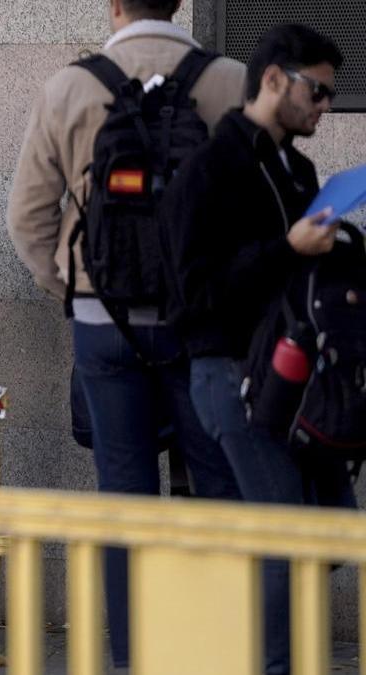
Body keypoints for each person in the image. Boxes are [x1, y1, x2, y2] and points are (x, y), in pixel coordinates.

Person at [6, 1, 246, 667]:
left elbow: (27, 218)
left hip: (103, 323)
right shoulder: (230, 80)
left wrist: (81, 291)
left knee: (124, 489)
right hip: (204, 325)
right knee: (217, 480)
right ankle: (217, 645)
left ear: (114, 5)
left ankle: (135, 653)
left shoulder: (70, 86)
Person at [163, 24, 350, 674]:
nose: (325, 106)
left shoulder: (293, 167)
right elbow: (193, 295)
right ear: (273, 79)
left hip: (297, 372)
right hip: (234, 371)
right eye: (318, 92)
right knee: (284, 535)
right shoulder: (208, 170)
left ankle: (276, 652)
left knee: (325, 528)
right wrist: (286, 249)